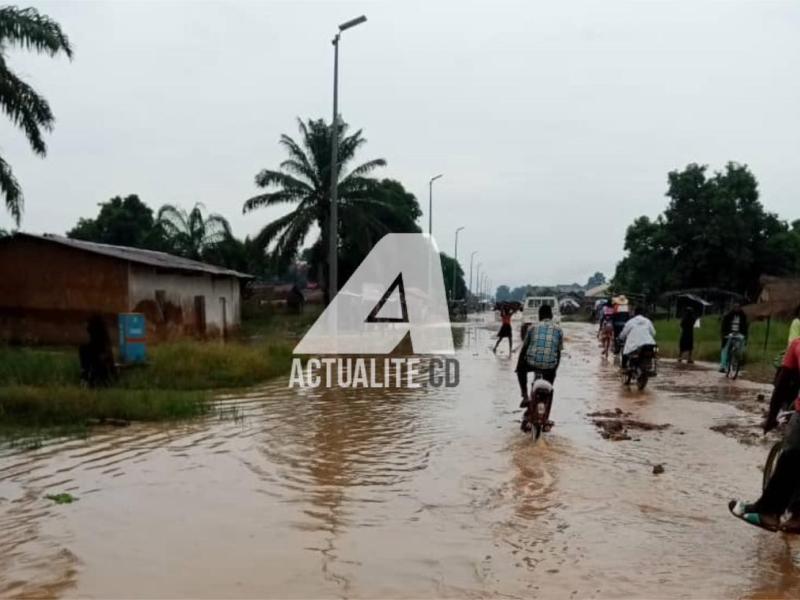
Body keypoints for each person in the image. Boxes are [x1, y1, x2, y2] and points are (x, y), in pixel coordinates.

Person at [729, 337, 800, 531]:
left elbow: (782, 384)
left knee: (790, 460)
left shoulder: (797, 345)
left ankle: (769, 512)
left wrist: (771, 417)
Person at [515, 304, 563, 430]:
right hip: (550, 366)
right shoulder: (558, 330)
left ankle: (525, 396)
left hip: (532, 363)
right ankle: (546, 417)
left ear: (539, 316)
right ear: (551, 316)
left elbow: (524, 349)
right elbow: (558, 352)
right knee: (550, 389)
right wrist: (554, 369)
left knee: (520, 369)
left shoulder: (532, 328)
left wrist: (518, 366)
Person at [720, 303, 749, 373]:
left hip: (739, 334)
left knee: (740, 347)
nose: (737, 309)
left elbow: (745, 327)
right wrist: (724, 334)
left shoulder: (743, 316)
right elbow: (724, 326)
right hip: (729, 334)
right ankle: (723, 366)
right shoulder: (728, 316)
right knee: (725, 350)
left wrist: (744, 335)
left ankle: (737, 361)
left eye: (738, 307)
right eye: (735, 307)